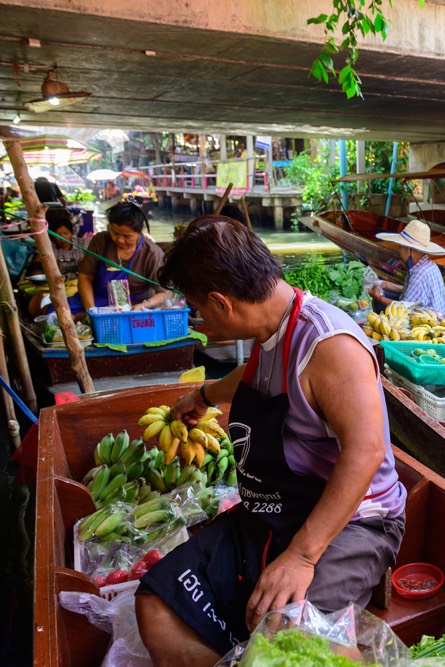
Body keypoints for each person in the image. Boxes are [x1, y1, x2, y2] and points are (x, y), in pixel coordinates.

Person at [135, 216, 406, 663]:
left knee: (291, 649)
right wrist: (203, 396)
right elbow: (252, 377)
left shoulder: (329, 344)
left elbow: (367, 451)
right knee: (157, 604)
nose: (198, 317)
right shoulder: (271, 329)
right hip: (273, 511)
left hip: (353, 522)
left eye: (197, 307)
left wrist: (301, 556)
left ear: (221, 302)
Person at [76, 200, 168, 313]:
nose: (120, 240)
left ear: (139, 232)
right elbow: (85, 277)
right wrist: (91, 310)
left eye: (127, 236)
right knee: (54, 312)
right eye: (114, 233)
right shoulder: (100, 241)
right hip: (98, 300)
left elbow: (164, 292)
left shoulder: (152, 254)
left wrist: (143, 306)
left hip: (135, 305)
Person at [368, 220, 445, 317]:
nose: (399, 251)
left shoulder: (420, 274)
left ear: (410, 250)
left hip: (432, 321)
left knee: (379, 303)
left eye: (401, 247)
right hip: (438, 312)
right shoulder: (427, 264)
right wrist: (386, 285)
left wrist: (380, 298)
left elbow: (405, 309)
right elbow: (412, 290)